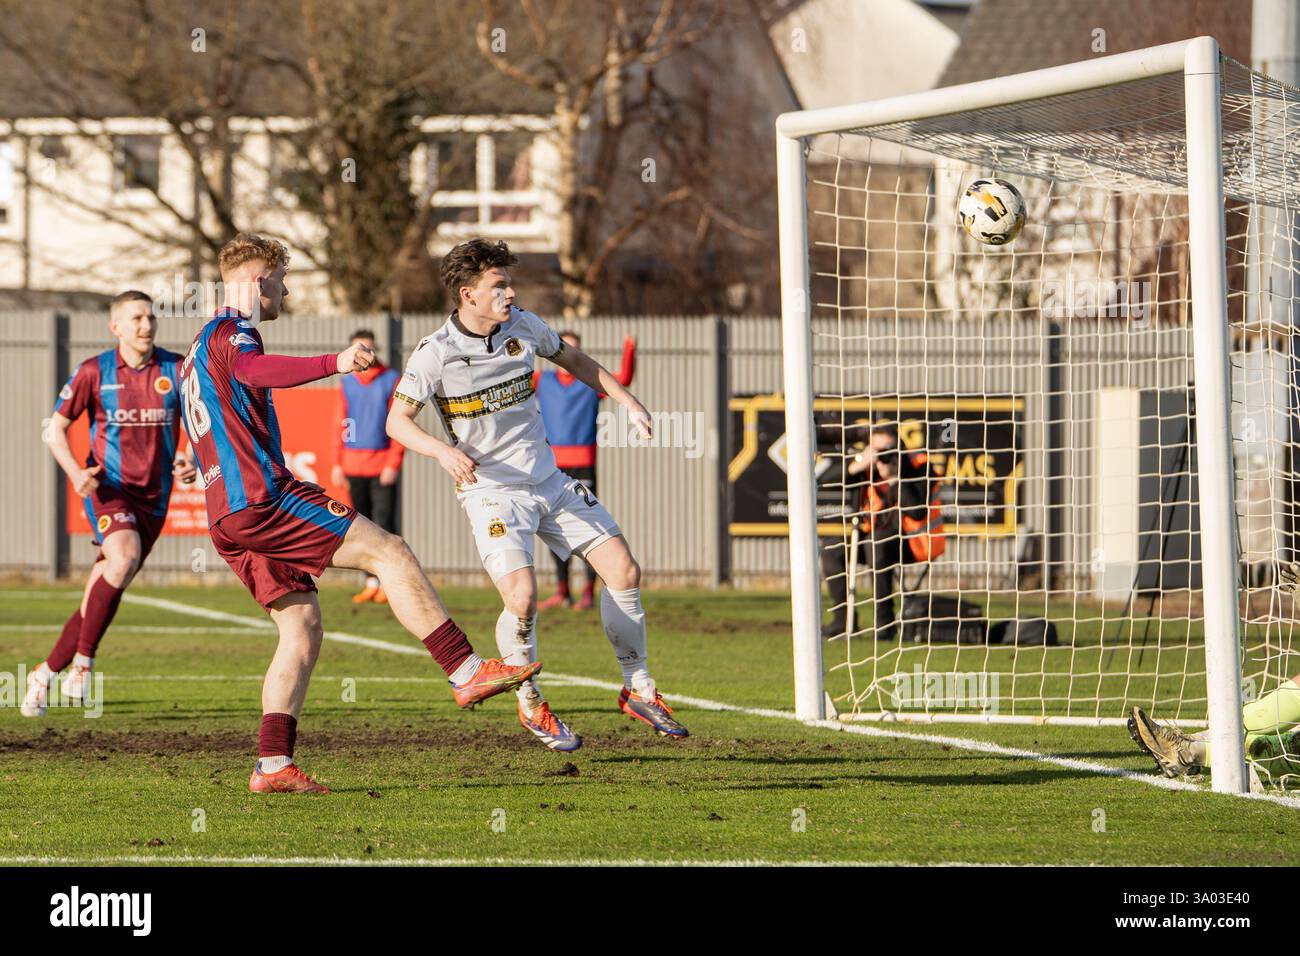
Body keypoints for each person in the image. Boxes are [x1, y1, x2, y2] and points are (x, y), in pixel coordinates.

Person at [182, 233, 540, 794]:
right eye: (279, 279)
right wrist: (335, 362)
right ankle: (465, 671)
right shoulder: (234, 332)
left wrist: (196, 467)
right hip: (260, 499)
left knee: (300, 630)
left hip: (227, 515)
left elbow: (212, 417)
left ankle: (272, 766)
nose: (285, 288)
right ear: (257, 281)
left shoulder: (197, 349)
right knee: (390, 551)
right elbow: (256, 373)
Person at [387, 237, 688, 754]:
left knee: (624, 571)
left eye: (509, 283)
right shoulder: (434, 353)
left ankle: (638, 689)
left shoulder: (525, 326)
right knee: (522, 598)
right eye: (498, 285)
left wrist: (628, 399)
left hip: (550, 480)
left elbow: (577, 361)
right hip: (492, 492)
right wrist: (442, 452)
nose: (509, 293)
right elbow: (397, 422)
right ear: (467, 294)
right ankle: (530, 701)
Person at [22, 291, 195, 717]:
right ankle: (83, 665)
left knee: (106, 584)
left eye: (151, 317)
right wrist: (75, 473)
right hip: (109, 488)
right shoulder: (93, 372)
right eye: (136, 318)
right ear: (115, 326)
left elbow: (196, 423)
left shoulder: (175, 369)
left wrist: (188, 457)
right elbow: (55, 429)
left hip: (155, 497)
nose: (146, 325)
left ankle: (43, 674)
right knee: (123, 557)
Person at [534, 330, 635, 611]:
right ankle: (562, 591)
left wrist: (630, 348)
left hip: (584, 462)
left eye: (574, 348)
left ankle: (589, 591)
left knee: (591, 526)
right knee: (554, 528)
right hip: (552, 464)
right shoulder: (542, 380)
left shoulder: (590, 383)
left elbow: (622, 380)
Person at [821, 422, 945, 641]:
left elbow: (916, 511)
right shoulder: (867, 468)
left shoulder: (919, 466)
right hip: (874, 540)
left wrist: (896, 478)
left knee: (876, 543)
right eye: (877, 450)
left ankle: (884, 625)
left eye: (887, 450)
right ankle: (843, 621)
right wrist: (858, 464)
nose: (882, 456)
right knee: (832, 548)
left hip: (913, 543)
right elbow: (825, 482)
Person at [331, 328, 405, 605]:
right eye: (358, 348)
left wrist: (393, 462)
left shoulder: (390, 380)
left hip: (382, 465)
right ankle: (371, 582)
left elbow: (400, 424)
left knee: (385, 525)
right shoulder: (347, 382)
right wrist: (338, 462)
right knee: (361, 529)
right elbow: (338, 423)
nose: (364, 353)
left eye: (369, 348)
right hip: (353, 465)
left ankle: (392, 584)